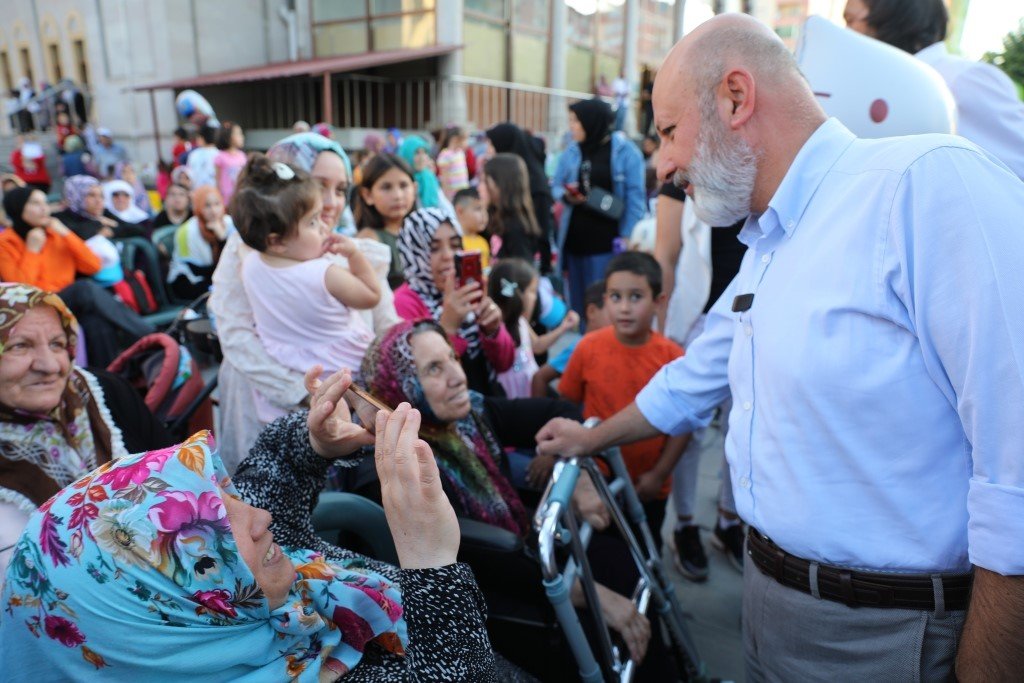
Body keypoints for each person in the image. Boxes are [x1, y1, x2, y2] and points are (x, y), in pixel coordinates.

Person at [537, 13, 1024, 681]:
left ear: (736, 98)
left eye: (670, 132)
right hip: (769, 609)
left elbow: (1017, 476)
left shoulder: (924, 185)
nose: (664, 166)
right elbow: (693, 381)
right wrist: (591, 440)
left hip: (888, 633)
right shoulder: (771, 240)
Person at [0, 407, 505, 680]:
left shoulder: (239, 597)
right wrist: (432, 567)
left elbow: (269, 483)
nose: (260, 518)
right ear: (156, 627)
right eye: (204, 553)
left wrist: (312, 443)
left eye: (222, 496)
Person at [210, 132, 400, 473]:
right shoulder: (248, 249)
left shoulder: (344, 246)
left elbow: (385, 322)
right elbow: (235, 332)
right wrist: (306, 393)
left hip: (349, 400)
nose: (330, 201)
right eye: (319, 184)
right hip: (269, 404)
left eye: (341, 190)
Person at [0, 283, 174, 578]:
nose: (50, 365)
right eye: (20, 346)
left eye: (57, 343)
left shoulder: (103, 392)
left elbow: (186, 484)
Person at [232, 153, 379, 423]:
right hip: (351, 383)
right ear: (276, 241)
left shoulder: (249, 265)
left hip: (293, 390)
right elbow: (371, 295)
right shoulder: (324, 273)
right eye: (312, 222)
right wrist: (354, 254)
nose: (323, 226)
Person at [556, 253, 686, 552]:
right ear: (605, 299)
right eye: (616, 297)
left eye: (636, 296)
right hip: (597, 479)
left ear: (659, 301)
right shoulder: (588, 347)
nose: (624, 307)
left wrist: (659, 474)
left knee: (646, 550)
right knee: (602, 553)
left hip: (649, 485)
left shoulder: (672, 358)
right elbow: (566, 406)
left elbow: (683, 426)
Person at [654, 180, 747, 582]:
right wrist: (660, 330)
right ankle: (686, 523)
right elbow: (665, 254)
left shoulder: (757, 162)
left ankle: (729, 520)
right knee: (688, 426)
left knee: (741, 425)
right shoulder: (680, 177)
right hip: (696, 318)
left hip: (751, 312)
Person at [844, 0, 1024, 181]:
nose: (844, 33)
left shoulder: (963, 78)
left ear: (894, 18)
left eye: (850, 20)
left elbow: (1018, 155)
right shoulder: (879, 83)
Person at [0, 187, 154, 367]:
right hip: (35, 307)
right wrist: (32, 251)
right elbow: (23, 291)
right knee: (84, 288)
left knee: (97, 324)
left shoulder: (55, 234)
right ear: (18, 208)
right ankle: (149, 334)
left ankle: (106, 381)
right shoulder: (5, 243)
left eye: (45, 202)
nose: (44, 208)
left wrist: (65, 233)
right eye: (35, 203)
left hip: (67, 304)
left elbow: (93, 266)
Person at [394, 208, 514, 396]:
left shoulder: (469, 288)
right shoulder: (404, 302)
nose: (449, 255)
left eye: (455, 244)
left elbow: (505, 363)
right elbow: (415, 383)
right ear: (413, 251)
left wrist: (493, 330)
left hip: (488, 399)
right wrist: (448, 327)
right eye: (434, 248)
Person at [552, 98, 646, 317]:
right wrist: (566, 195)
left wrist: (626, 236)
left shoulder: (626, 152)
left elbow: (636, 199)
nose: (572, 127)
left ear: (591, 121)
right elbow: (555, 185)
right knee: (579, 307)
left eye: (576, 121)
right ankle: (583, 348)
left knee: (603, 307)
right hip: (574, 243)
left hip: (606, 245)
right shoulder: (572, 151)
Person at [488, 259, 578, 400]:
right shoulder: (497, 330)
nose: (536, 298)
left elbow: (537, 346)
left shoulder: (521, 321)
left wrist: (563, 327)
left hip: (530, 385)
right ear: (518, 294)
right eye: (533, 291)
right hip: (512, 392)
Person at [485, 123, 555, 274]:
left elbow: (542, 231)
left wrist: (545, 267)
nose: (488, 150)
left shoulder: (536, 183)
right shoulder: (498, 181)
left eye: (491, 144)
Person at [530, 279, 609, 401]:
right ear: (592, 311)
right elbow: (540, 377)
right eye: (612, 307)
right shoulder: (580, 347)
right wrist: (541, 413)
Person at [353, 153, 417, 290]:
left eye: (403, 185)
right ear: (368, 195)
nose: (398, 196)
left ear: (414, 189)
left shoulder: (419, 234)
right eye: (386, 187)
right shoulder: (369, 240)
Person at [479, 153, 550, 269]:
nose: (479, 187)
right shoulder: (495, 216)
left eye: (484, 181)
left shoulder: (516, 227)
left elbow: (522, 275)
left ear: (500, 184)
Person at [167, 185, 233, 301]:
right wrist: (222, 241)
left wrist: (221, 237)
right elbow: (198, 270)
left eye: (217, 204)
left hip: (218, 276)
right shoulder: (187, 231)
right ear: (198, 207)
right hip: (191, 278)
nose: (213, 210)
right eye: (207, 206)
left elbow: (234, 262)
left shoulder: (230, 224)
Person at [52, 175, 146, 241]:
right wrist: (99, 222)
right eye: (91, 195)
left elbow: (137, 229)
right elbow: (80, 234)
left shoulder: (103, 213)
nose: (99, 200)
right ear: (76, 196)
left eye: (101, 196)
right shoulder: (62, 217)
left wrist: (111, 230)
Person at [397, 136, 443, 210]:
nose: (422, 157)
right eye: (417, 153)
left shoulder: (429, 177)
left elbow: (443, 204)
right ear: (407, 154)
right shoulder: (400, 179)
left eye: (425, 152)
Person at [452, 187, 490, 269]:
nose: (484, 215)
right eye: (478, 209)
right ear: (460, 211)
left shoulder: (483, 242)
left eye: (486, 209)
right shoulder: (454, 243)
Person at [213, 120, 247, 204]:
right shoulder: (220, 157)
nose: (242, 137)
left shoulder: (242, 156)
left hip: (241, 197)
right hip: (226, 200)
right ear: (229, 137)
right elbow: (217, 180)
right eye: (239, 134)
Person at [436, 126, 471, 200]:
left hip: (462, 191)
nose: (467, 143)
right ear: (455, 140)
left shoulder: (460, 153)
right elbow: (444, 177)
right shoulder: (445, 154)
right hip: (452, 194)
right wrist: (446, 194)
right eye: (464, 140)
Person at [185, 124, 219, 188]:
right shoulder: (219, 153)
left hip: (196, 190)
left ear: (202, 138)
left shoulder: (194, 154)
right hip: (214, 191)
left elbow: (188, 173)